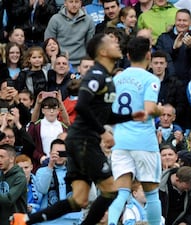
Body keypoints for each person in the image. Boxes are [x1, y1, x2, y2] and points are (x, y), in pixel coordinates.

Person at [10, 33, 146, 225]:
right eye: (111, 42)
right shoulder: (96, 75)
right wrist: (102, 132)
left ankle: (24, 220)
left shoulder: (107, 78)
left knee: (79, 200)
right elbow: (82, 106)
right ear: (103, 51)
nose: (117, 44)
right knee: (110, 191)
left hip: (81, 141)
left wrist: (132, 116)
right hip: (84, 141)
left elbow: (104, 115)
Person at [107, 37, 162, 225]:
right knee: (152, 193)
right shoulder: (150, 79)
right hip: (143, 141)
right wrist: (160, 110)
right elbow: (148, 110)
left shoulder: (116, 78)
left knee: (121, 192)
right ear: (149, 55)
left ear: (128, 55)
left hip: (120, 141)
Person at [35, 139, 82, 224]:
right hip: (49, 219)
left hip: (71, 218)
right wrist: (50, 166)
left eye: (62, 153)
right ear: (50, 154)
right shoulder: (41, 171)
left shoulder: (75, 171)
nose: (59, 156)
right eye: (56, 153)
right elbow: (42, 189)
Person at [155, 8, 191, 84]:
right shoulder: (163, 38)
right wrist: (174, 49)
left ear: (190, 22)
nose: (181, 23)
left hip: (190, 81)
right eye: (179, 20)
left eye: (184, 20)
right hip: (168, 82)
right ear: (175, 21)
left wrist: (190, 48)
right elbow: (159, 59)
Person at [44, 0, 95, 68]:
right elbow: (48, 43)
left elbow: (89, 45)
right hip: (60, 63)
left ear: (80, 4)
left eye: (76, 2)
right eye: (71, 2)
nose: (74, 5)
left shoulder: (88, 20)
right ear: (65, 3)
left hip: (81, 63)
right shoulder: (55, 19)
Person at [0, 144, 27, 225]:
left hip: (16, 222)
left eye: (2, 157)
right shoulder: (1, 175)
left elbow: (9, 199)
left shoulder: (20, 177)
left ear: (11, 159)